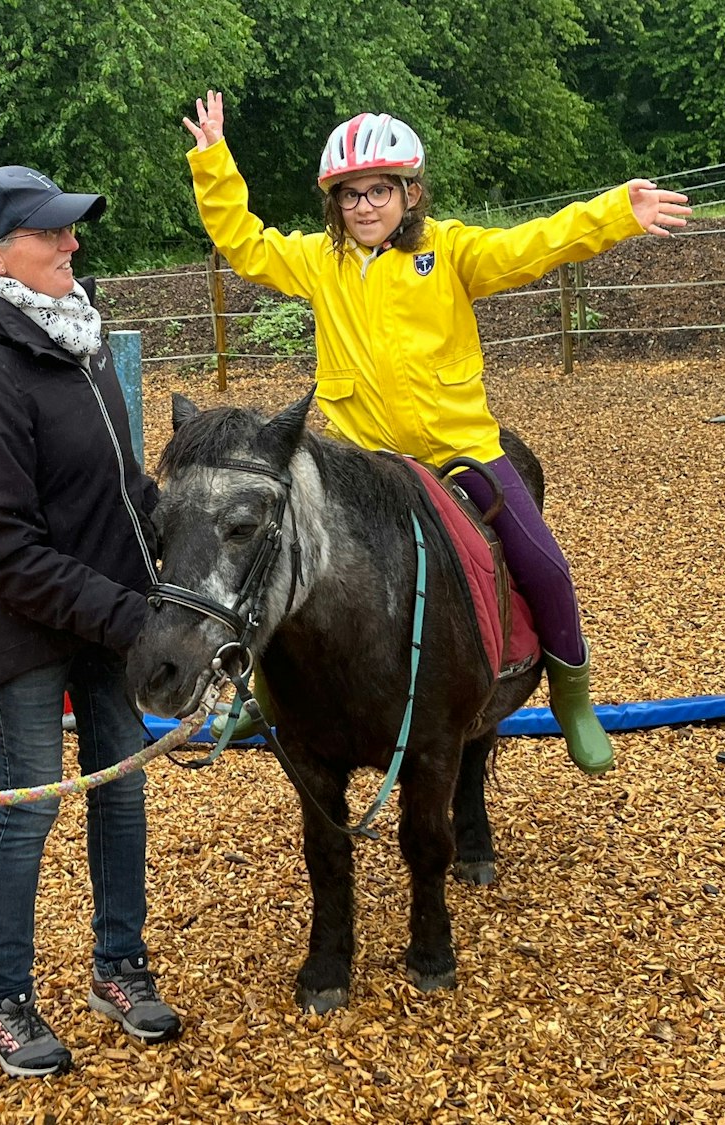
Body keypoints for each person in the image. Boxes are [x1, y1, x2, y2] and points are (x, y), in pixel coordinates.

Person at [181, 92, 692, 776]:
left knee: (543, 563)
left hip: (459, 451)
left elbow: (534, 245)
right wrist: (214, 160)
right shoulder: (319, 262)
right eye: (350, 195)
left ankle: (573, 695)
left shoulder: (450, 252)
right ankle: (270, 698)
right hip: (360, 460)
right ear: (334, 204)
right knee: (283, 566)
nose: (365, 206)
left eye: (379, 191)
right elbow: (243, 243)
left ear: (410, 193)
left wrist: (615, 213)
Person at [0, 165, 180, 1078]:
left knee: (122, 789)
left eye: (72, 229)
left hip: (108, 619)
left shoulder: (79, 335)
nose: (73, 243)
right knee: (28, 805)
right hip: (27, 629)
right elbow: (0, 549)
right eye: (52, 233)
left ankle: (119, 965)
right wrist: (130, 615)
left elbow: (118, 481)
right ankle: (0, 1001)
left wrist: (177, 536)